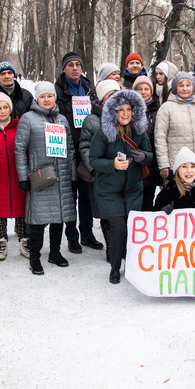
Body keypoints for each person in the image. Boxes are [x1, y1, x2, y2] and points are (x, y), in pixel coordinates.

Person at [89, 89, 153, 283]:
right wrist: (112, 165)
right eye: (120, 110)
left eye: (128, 109)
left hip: (133, 189)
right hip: (108, 190)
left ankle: (133, 263)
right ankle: (115, 268)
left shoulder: (139, 131)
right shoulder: (103, 133)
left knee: (133, 228)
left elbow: (149, 156)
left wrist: (143, 157)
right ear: (112, 112)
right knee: (118, 229)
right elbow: (93, 160)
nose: (125, 114)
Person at [15, 81, 77, 275]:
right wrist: (23, 176)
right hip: (41, 177)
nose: (47, 99)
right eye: (43, 96)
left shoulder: (62, 120)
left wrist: (73, 174)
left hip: (62, 177)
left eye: (50, 96)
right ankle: (35, 257)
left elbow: (70, 149)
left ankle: (55, 253)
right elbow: (19, 148)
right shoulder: (28, 119)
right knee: (38, 220)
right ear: (37, 99)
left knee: (59, 218)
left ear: (54, 98)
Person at [54, 52, 103, 251]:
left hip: (87, 150)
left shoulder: (89, 89)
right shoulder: (57, 91)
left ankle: (87, 234)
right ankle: (72, 236)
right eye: (70, 65)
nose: (75, 68)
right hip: (66, 150)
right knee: (69, 196)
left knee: (86, 195)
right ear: (64, 69)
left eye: (78, 65)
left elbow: (100, 112)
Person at [0, 92, 29, 261]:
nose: (2, 111)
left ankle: (24, 241)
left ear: (10, 108)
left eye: (5, 107)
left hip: (18, 176)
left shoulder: (20, 127)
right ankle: (1, 242)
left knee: (21, 210)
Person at [79, 79, 121, 260]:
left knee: (121, 213)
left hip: (123, 173)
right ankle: (112, 249)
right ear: (103, 96)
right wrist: (95, 169)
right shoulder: (92, 119)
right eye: (111, 94)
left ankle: (121, 246)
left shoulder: (126, 115)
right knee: (107, 214)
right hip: (102, 174)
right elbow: (84, 146)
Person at [155, 72, 195, 184]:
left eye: (188, 85)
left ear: (193, 87)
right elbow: (160, 137)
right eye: (181, 86)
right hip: (176, 164)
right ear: (175, 88)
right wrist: (164, 164)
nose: (185, 89)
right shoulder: (166, 108)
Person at [132, 76, 161, 211]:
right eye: (139, 89)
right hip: (133, 162)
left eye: (146, 89)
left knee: (148, 201)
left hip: (152, 163)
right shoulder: (128, 109)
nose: (143, 92)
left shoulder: (158, 110)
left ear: (151, 91)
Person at [153, 147, 195, 212]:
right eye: (184, 167)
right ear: (177, 170)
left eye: (193, 166)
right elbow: (156, 216)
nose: (189, 170)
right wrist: (163, 211)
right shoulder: (168, 192)